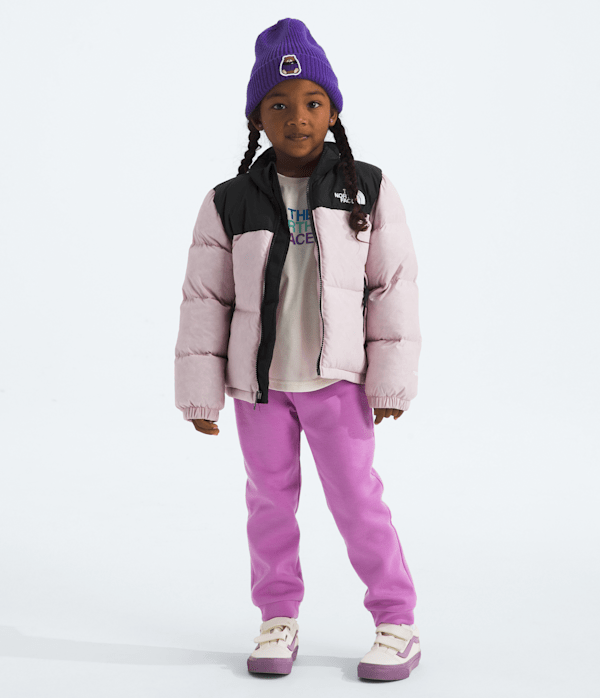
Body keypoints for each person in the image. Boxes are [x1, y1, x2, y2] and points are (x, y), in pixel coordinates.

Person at [174, 18, 422, 682]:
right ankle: (277, 617)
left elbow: (392, 287)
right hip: (260, 390)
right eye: (278, 105)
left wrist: (390, 383)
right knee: (268, 504)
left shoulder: (366, 189)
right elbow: (205, 299)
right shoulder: (228, 202)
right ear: (257, 118)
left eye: (312, 102)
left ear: (333, 110)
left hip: (338, 384)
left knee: (357, 501)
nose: (297, 117)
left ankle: (396, 619)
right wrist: (200, 394)